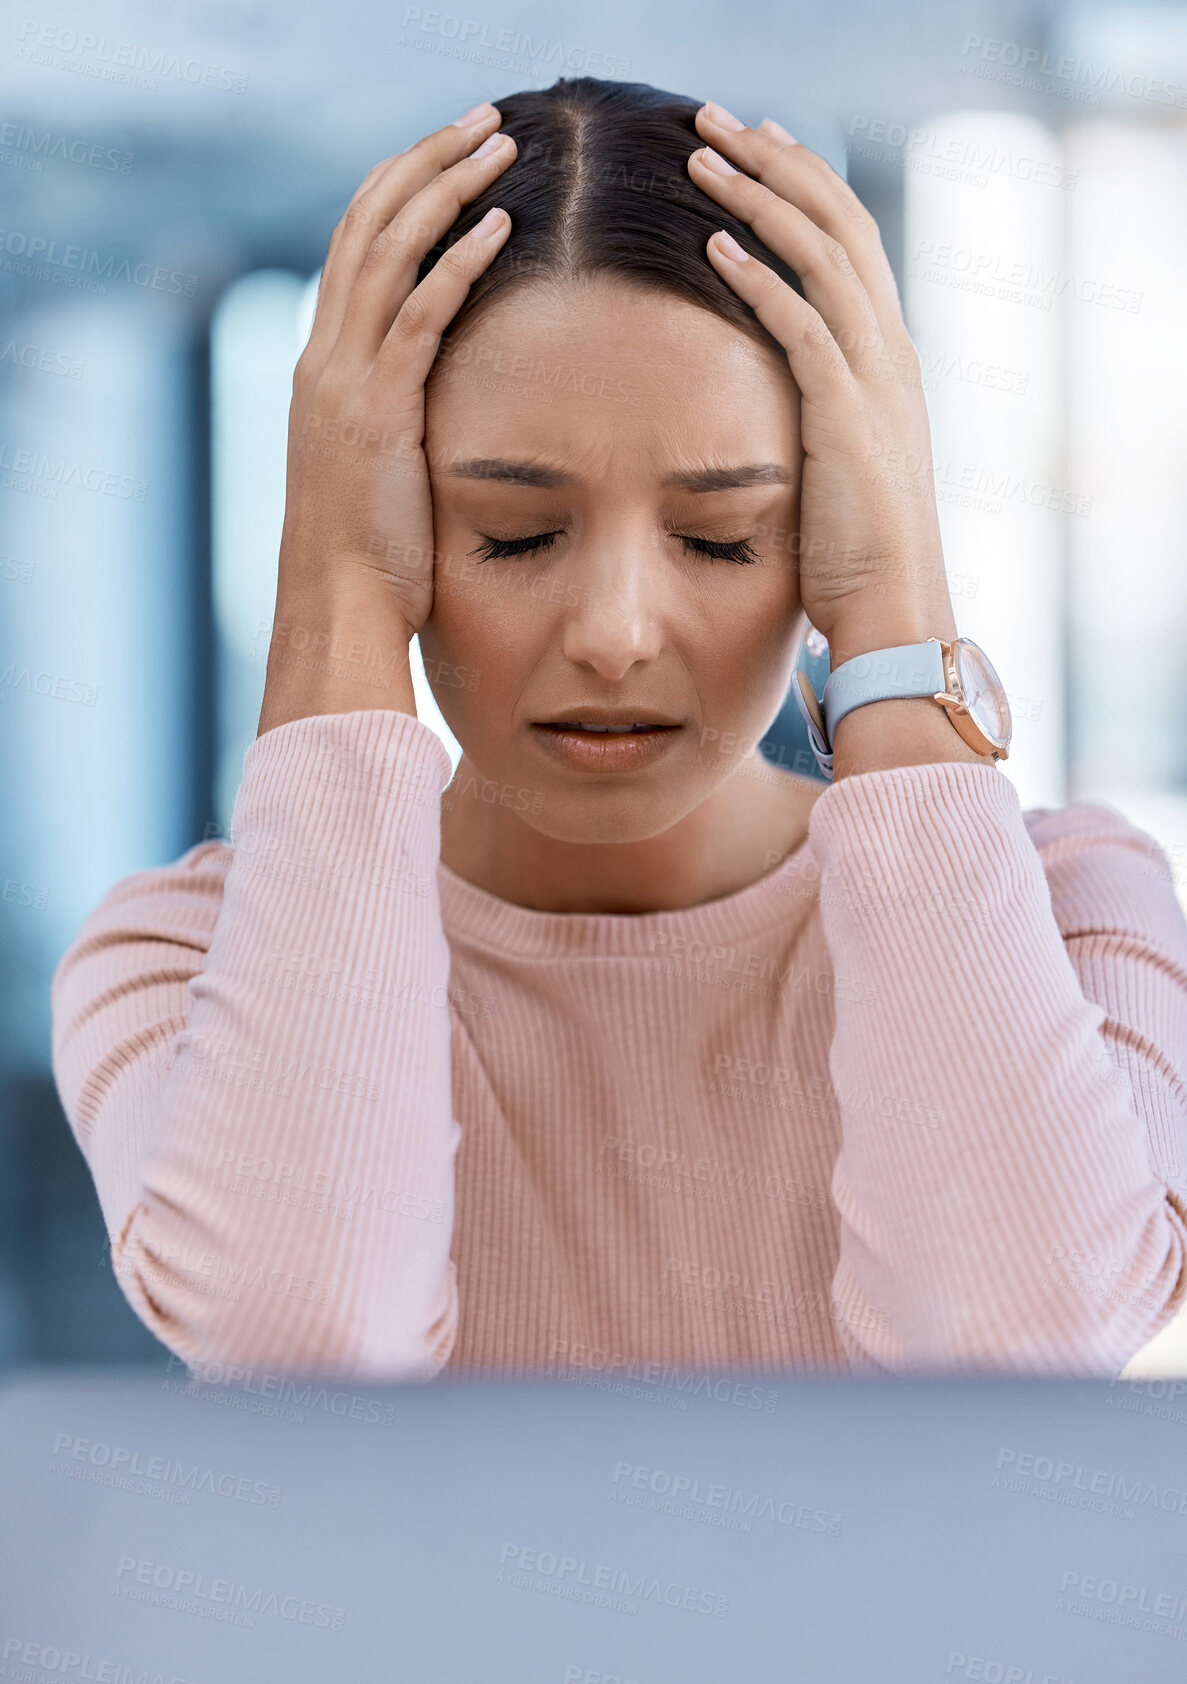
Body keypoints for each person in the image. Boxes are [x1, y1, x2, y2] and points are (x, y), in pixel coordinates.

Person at [51, 76, 1187, 1385]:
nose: (616, 633)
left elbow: (1014, 1357)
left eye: (723, 536)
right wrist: (335, 595)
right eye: (513, 533)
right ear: (405, 530)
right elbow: (307, 1345)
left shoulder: (1072, 923)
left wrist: (896, 611)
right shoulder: (180, 966)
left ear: (823, 533)